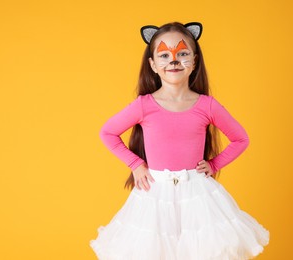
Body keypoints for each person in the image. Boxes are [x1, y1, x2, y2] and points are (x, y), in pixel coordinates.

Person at [89, 21, 270, 260]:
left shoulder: (207, 105)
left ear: (194, 61)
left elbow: (240, 139)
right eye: (164, 55)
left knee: (201, 251)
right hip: (154, 194)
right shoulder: (144, 105)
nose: (173, 60)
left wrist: (214, 165)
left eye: (182, 53)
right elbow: (107, 132)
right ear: (153, 64)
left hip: (198, 196)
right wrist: (135, 165)